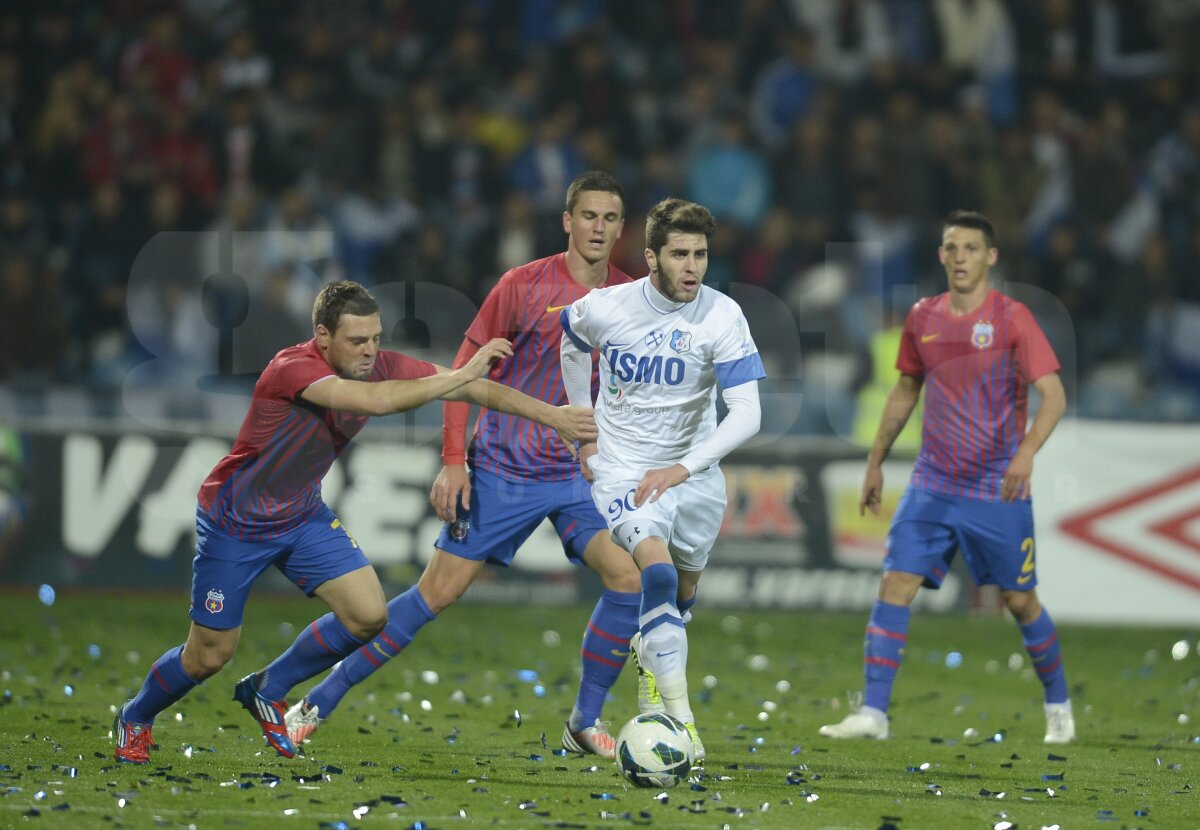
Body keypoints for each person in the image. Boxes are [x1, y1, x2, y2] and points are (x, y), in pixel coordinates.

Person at [112, 280, 596, 764]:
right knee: (209, 655)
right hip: (235, 522)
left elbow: (477, 387)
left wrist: (552, 416)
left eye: (377, 339)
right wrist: (460, 375)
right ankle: (135, 716)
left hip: (302, 516)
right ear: (322, 335)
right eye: (357, 341)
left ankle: (268, 687)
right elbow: (379, 401)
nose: (371, 352)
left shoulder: (378, 366)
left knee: (368, 615)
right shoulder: (292, 368)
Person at [281, 171, 641, 760]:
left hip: (576, 475)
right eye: (589, 216)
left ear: (621, 228)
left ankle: (585, 720)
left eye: (610, 219)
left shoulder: (631, 299)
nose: (599, 228)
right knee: (435, 595)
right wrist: (454, 461)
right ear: (567, 222)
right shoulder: (522, 285)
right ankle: (318, 701)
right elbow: (461, 375)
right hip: (505, 469)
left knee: (627, 577)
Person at [819, 210, 1074, 744]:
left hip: (995, 487)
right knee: (895, 583)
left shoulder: (1013, 318)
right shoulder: (923, 316)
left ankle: (1058, 704)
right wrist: (875, 461)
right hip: (932, 483)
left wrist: (1027, 452)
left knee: (1020, 601)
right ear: (941, 255)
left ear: (990, 257)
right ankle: (874, 713)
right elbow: (906, 391)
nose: (960, 257)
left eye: (971, 248)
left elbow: (1054, 396)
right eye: (951, 248)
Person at [559, 197, 766, 763]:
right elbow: (572, 340)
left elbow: (748, 412)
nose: (692, 266)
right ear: (651, 256)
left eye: (700, 253)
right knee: (656, 574)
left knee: (685, 591)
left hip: (693, 474)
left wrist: (682, 468)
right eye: (679, 254)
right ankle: (684, 725)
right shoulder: (606, 307)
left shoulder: (722, 315)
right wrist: (585, 427)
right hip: (624, 471)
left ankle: (652, 650)